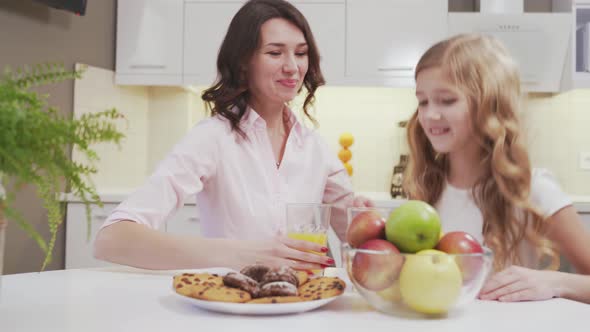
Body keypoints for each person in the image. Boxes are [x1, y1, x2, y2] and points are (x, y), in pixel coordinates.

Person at [94, 0, 368, 272]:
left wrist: (367, 220)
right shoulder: (213, 138)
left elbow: (360, 243)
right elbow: (111, 240)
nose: (292, 67)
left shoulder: (314, 147)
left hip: (306, 305)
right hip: (235, 306)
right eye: (275, 53)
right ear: (242, 62)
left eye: (301, 53)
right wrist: (245, 253)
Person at [403, 33, 590, 303]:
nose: (430, 114)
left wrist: (553, 281)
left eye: (447, 100)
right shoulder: (426, 186)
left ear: (489, 104)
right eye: (423, 101)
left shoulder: (532, 190)